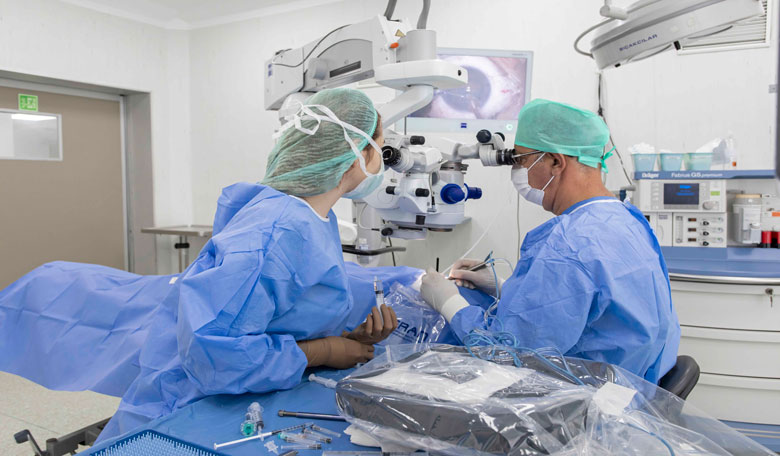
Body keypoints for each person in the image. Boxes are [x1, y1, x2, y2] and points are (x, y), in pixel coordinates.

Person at [0, 87, 410, 441]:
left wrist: (343, 337)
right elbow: (215, 353)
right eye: (379, 146)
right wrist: (323, 351)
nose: (381, 158)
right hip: (192, 407)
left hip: (249, 390)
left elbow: (277, 309)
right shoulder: (278, 231)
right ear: (356, 154)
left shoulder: (311, 218)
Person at [420, 99, 680, 383]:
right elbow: (594, 308)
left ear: (556, 162)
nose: (518, 170)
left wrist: (449, 303)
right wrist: (505, 289)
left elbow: (507, 355)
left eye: (522, 160)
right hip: (636, 386)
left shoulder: (569, 245)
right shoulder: (626, 219)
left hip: (589, 399)